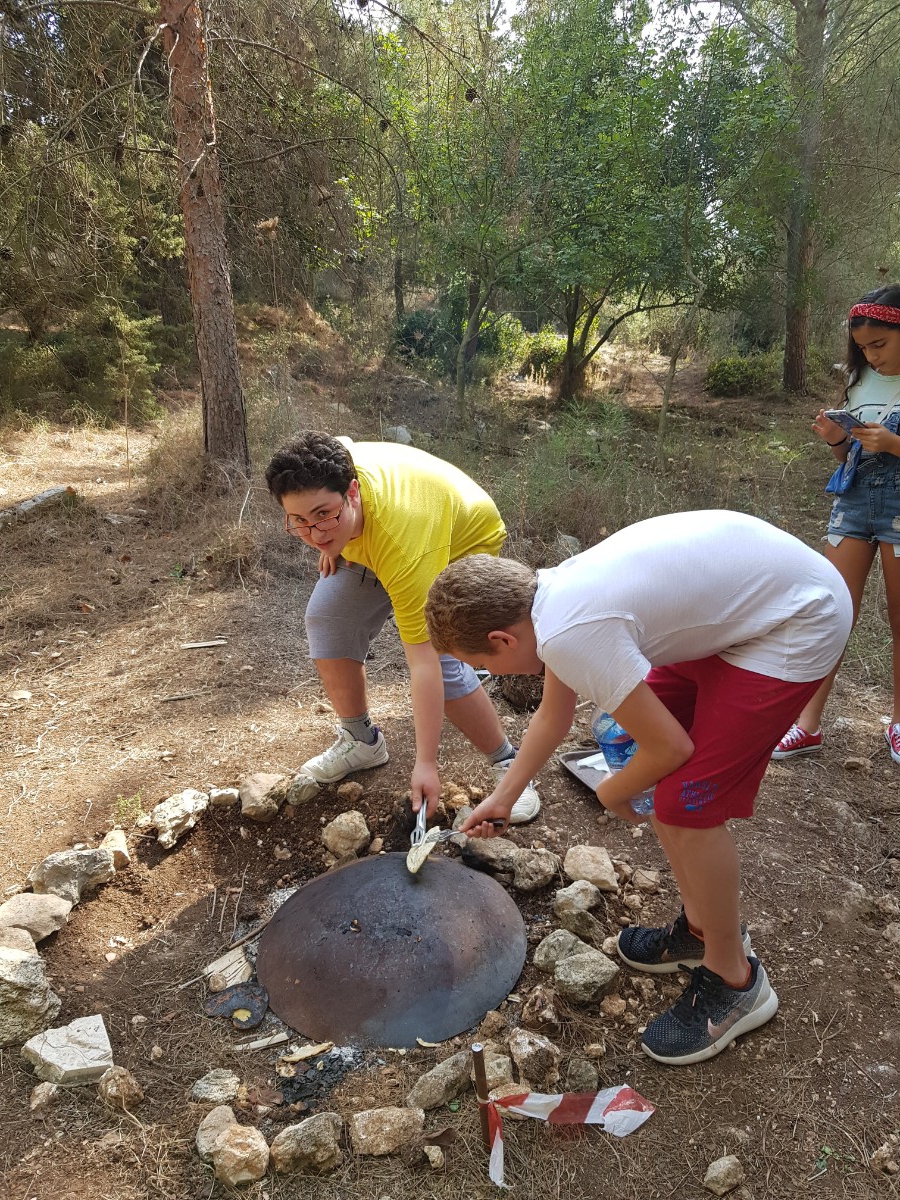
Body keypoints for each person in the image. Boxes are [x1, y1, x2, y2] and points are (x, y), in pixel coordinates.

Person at [424, 511, 852, 1065]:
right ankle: (700, 930)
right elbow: (553, 718)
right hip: (755, 607)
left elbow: (671, 749)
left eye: (483, 663)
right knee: (662, 784)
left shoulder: (571, 633)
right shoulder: (548, 600)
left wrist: (611, 792)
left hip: (799, 619)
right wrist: (504, 795)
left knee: (683, 808)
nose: (492, 672)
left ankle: (736, 979)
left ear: (503, 638)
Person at [264, 431, 540, 822]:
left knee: (445, 660)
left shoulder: (405, 548)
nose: (314, 532)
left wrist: (426, 764)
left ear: (353, 491)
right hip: (383, 532)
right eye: (300, 521)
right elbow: (340, 441)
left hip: (457, 539)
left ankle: (507, 762)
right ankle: (362, 742)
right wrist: (332, 542)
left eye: (324, 514)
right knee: (328, 617)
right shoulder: (331, 470)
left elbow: (423, 663)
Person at [772, 284, 900, 765]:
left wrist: (892, 444)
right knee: (832, 610)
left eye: (880, 345)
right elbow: (851, 453)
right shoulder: (861, 381)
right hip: (854, 500)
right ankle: (807, 724)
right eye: (864, 348)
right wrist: (834, 440)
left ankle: (899, 723)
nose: (871, 355)